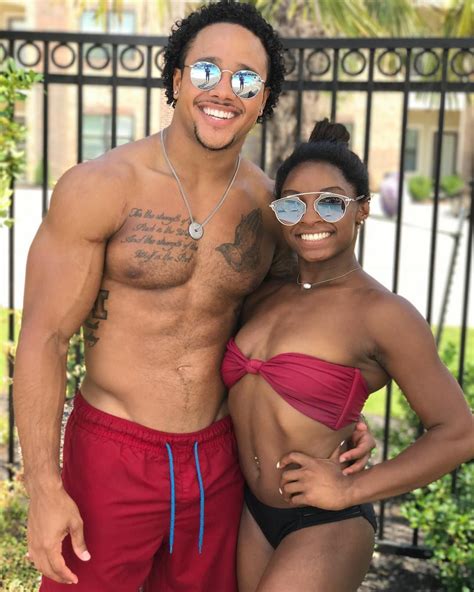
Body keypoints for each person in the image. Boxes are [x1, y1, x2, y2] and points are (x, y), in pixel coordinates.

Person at [13, 3, 375, 591]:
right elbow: (44, 339)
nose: (224, 91)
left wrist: (341, 414)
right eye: (207, 71)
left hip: (217, 457)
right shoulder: (100, 187)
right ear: (177, 80)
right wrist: (45, 489)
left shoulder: (269, 209)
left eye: (246, 80)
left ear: (264, 99)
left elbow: (294, 326)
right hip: (113, 451)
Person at [221, 119, 474, 592]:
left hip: (325, 520)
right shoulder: (263, 297)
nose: (311, 219)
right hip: (252, 513)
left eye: (332, 202)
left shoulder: (383, 314)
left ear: (362, 210)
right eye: (295, 203)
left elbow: (459, 433)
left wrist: (351, 488)